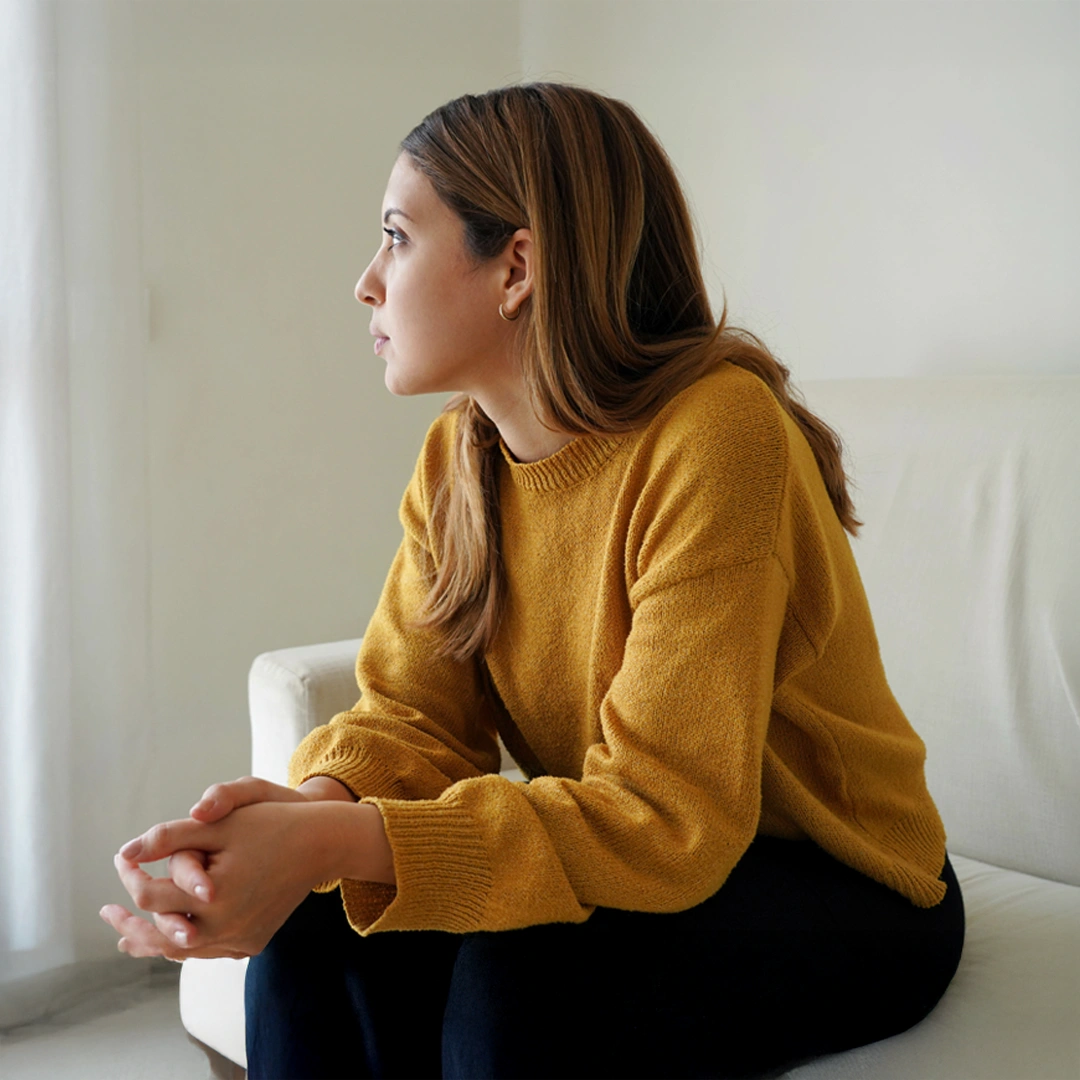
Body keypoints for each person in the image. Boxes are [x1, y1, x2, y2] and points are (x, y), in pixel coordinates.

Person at [102, 82, 965, 1079]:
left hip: (842, 882)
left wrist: (337, 838)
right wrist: (304, 820)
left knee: (526, 986)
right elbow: (414, 718)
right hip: (665, 849)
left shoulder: (718, 437)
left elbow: (667, 817)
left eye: (396, 236)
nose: (366, 283)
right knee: (317, 934)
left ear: (516, 265)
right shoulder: (458, 459)